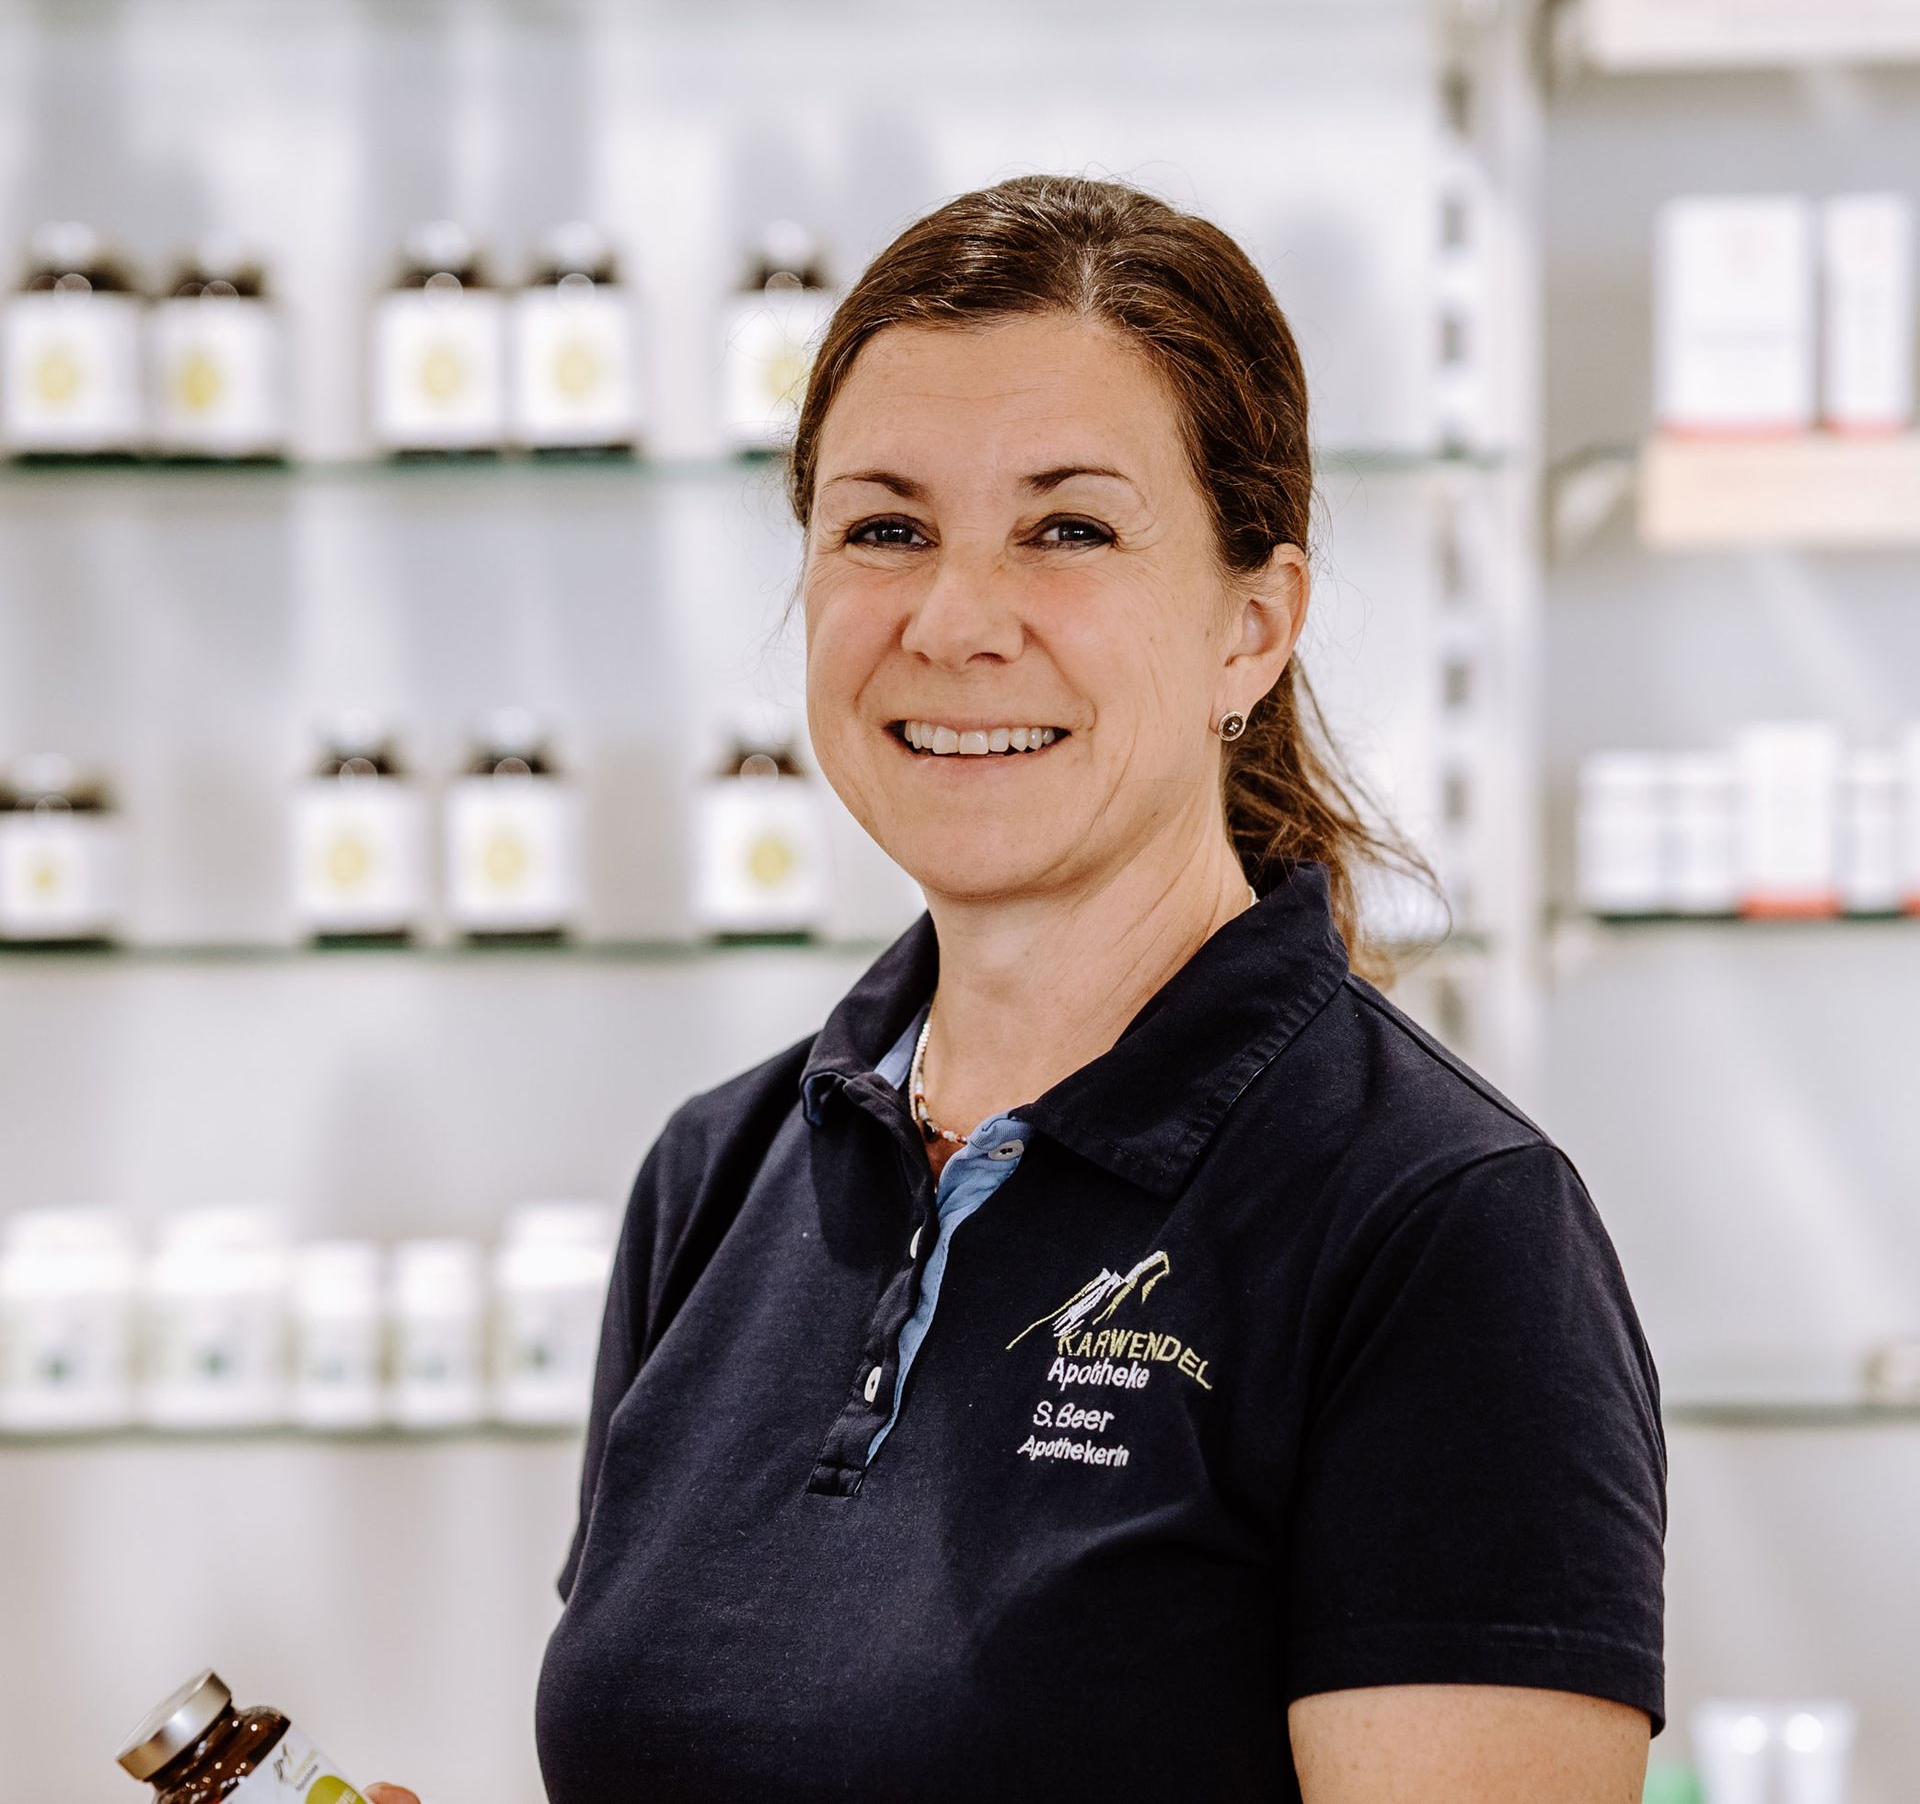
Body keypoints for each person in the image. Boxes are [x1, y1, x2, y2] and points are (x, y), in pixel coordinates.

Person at [368, 173, 1664, 1804]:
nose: (956, 616)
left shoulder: (1442, 1230)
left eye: (1068, 529)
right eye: (885, 527)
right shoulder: (723, 1171)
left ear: (1252, 627)